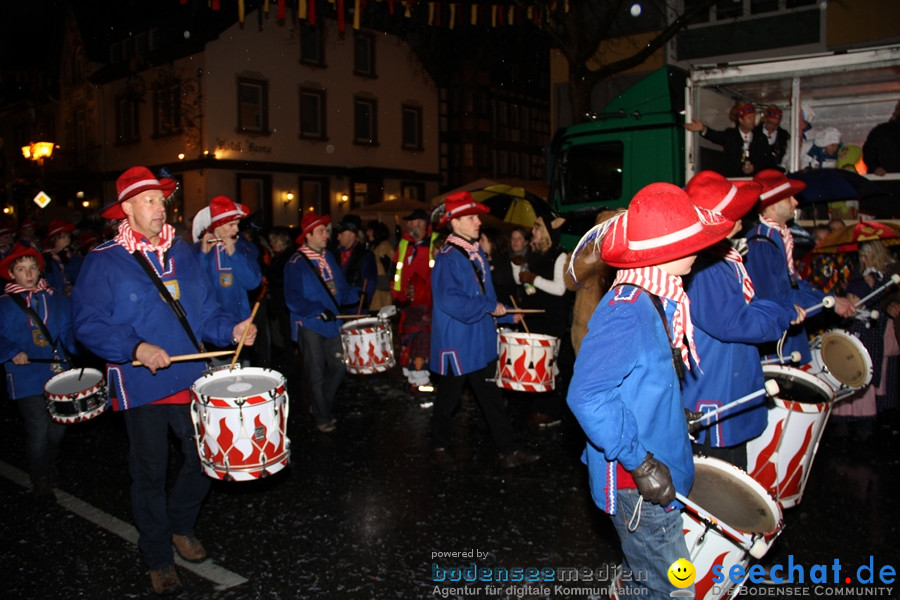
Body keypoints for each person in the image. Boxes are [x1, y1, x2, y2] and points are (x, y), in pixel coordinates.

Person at [70, 166, 258, 595]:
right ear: (128, 209)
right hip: (142, 385)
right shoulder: (103, 261)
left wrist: (231, 330)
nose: (160, 209)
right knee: (149, 473)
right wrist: (135, 348)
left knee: (208, 460)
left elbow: (205, 311)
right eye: (150, 201)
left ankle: (179, 524)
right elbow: (86, 324)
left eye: (161, 200)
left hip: (190, 376)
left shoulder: (185, 253)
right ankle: (157, 554)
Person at [567, 182, 734, 600]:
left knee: (645, 577)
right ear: (662, 251)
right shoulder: (628, 311)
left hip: (654, 472)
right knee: (671, 589)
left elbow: (639, 384)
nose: (701, 248)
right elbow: (586, 395)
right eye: (691, 240)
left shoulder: (655, 298)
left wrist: (671, 415)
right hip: (635, 484)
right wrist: (640, 462)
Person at [682, 171, 803, 469]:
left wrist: (774, 308)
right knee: (718, 496)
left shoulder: (720, 258)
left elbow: (741, 306)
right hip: (714, 392)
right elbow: (734, 322)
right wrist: (783, 312)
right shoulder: (707, 266)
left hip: (725, 385)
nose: (743, 217)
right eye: (735, 211)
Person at [430, 191, 540, 471]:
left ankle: (508, 450)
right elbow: (449, 300)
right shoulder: (447, 257)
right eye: (470, 217)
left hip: (479, 339)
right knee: (448, 400)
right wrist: (490, 305)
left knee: (491, 398)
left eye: (476, 216)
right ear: (455, 223)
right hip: (458, 341)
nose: (477, 221)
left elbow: (483, 295)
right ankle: (439, 445)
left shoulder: (475, 251)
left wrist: (504, 316)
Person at [744, 169, 856, 364]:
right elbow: (775, 298)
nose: (796, 203)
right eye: (789, 199)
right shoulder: (761, 243)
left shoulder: (777, 236)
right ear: (772, 204)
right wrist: (828, 302)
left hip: (789, 330)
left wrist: (829, 299)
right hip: (776, 340)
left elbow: (793, 283)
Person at [0, 244, 76, 501]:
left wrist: (73, 350)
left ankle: (49, 462)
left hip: (57, 372)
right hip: (25, 375)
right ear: (11, 274)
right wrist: (10, 351)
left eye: (33, 268)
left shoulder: (55, 296)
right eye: (21, 269)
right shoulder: (4, 304)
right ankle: (40, 478)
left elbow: (67, 329)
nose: (29, 274)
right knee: (38, 428)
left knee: (58, 428)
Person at [284, 213, 360, 433]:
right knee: (315, 372)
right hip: (310, 324)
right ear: (307, 236)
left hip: (332, 323)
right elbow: (293, 298)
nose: (327, 235)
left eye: (326, 230)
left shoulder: (329, 258)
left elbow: (342, 291)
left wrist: (357, 293)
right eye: (321, 231)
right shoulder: (295, 263)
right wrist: (317, 310)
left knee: (340, 365)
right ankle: (322, 417)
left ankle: (319, 404)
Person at [832, 240, 900, 442]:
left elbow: (882, 299)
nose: (864, 259)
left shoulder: (888, 277)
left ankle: (866, 423)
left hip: (873, 331)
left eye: (867, 255)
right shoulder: (857, 274)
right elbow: (850, 296)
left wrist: (873, 285)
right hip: (854, 327)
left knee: (868, 373)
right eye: (861, 255)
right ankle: (842, 423)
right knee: (847, 370)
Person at [514, 216, 572, 429]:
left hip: (551, 319)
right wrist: (519, 271)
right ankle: (541, 409)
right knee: (538, 367)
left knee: (549, 366)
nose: (533, 233)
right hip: (535, 317)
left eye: (536, 229)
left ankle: (553, 411)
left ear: (546, 232)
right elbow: (526, 285)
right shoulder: (534, 254)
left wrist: (533, 279)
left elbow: (559, 289)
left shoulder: (560, 255)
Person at [194, 195, 262, 327]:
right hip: (209, 324)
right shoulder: (199, 249)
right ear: (217, 226)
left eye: (237, 225)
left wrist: (234, 254)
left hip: (239, 322)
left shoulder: (243, 248)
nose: (236, 229)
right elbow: (195, 285)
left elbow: (253, 282)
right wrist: (203, 255)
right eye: (231, 225)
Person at [391, 207, 438, 391]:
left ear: (423, 223)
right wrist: (397, 296)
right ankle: (412, 379)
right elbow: (396, 271)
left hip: (428, 303)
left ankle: (422, 381)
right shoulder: (404, 243)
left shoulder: (435, 243)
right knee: (407, 341)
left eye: (413, 221)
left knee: (422, 341)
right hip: (406, 303)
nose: (409, 225)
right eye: (408, 221)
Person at [685, 101, 757, 177]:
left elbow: (765, 160)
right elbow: (715, 136)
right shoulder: (731, 135)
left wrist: (754, 167)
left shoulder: (760, 137)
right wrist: (703, 128)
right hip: (733, 179)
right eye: (750, 118)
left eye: (754, 117)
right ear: (741, 120)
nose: (753, 120)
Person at [332, 215, 377, 312]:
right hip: (337, 308)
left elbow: (370, 284)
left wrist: (362, 303)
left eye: (342, 234)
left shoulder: (366, 256)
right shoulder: (333, 254)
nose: (338, 237)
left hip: (356, 310)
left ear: (351, 234)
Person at [41, 219, 81, 295]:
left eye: (68, 237)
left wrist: (68, 264)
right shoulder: (47, 259)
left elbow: (79, 279)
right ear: (54, 240)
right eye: (63, 237)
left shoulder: (75, 258)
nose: (67, 240)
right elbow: (49, 283)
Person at [863, 99, 900, 175]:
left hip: (884, 181)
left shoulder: (881, 131)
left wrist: (875, 167)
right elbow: (869, 152)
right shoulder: (881, 131)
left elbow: (869, 152)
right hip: (885, 181)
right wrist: (875, 168)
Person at [365, 219, 395, 313]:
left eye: (370, 230)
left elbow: (389, 268)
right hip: (376, 292)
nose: (367, 233)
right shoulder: (374, 246)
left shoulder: (384, 246)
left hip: (381, 293)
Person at [749, 104, 790, 172]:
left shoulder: (783, 135)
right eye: (770, 123)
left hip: (776, 173)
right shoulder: (754, 133)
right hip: (757, 173)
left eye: (776, 124)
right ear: (765, 119)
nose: (773, 126)